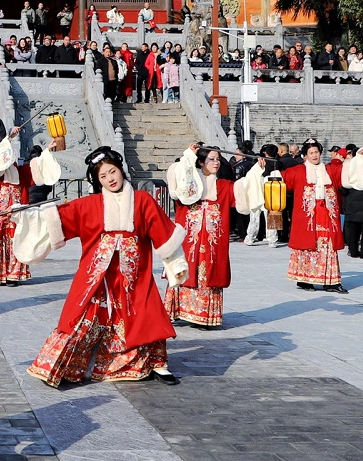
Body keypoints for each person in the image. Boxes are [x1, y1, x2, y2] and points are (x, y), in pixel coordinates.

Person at [14, 147, 185, 387]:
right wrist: (29, 215)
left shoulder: (143, 201)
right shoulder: (91, 204)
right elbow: (60, 217)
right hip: (97, 276)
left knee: (145, 312)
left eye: (112, 172)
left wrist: (175, 264)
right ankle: (64, 364)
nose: (110, 179)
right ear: (97, 180)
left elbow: (165, 234)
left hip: (133, 275)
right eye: (103, 176)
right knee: (81, 316)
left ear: (121, 169)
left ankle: (155, 363)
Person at [0, 129, 62, 285]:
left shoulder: (19, 171)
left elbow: (35, 167)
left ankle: (14, 274)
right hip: (3, 213)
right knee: (3, 239)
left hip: (19, 213)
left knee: (18, 237)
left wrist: (47, 151)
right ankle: (2, 274)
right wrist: (9, 137)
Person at [165, 145, 233, 328]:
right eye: (211, 159)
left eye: (218, 159)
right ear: (201, 161)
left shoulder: (223, 186)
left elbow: (242, 193)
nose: (216, 162)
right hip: (189, 238)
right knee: (185, 266)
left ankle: (205, 315)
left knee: (208, 270)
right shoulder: (189, 183)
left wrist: (260, 171)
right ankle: (179, 310)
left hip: (212, 242)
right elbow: (177, 174)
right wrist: (188, 154)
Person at [281, 140, 347, 292]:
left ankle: (331, 281)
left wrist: (356, 160)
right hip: (308, 216)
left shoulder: (328, 170)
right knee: (307, 246)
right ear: (306, 155)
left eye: (316, 152)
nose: (314, 155)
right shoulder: (298, 170)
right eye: (311, 153)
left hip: (326, 213)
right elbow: (280, 179)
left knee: (328, 246)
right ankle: (305, 280)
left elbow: (344, 172)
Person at [340, 146, 363, 259]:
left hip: (352, 203)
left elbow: (344, 188)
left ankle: (353, 251)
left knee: (353, 229)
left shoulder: (350, 168)